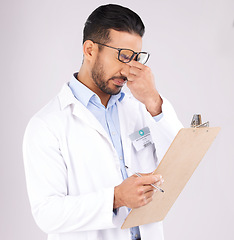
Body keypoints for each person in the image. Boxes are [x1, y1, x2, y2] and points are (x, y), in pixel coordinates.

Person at [23, 4, 183, 240]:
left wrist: (153, 100)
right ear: (90, 50)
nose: (130, 69)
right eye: (124, 56)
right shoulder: (47, 125)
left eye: (136, 58)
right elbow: (46, 213)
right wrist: (116, 198)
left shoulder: (140, 108)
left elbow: (182, 159)